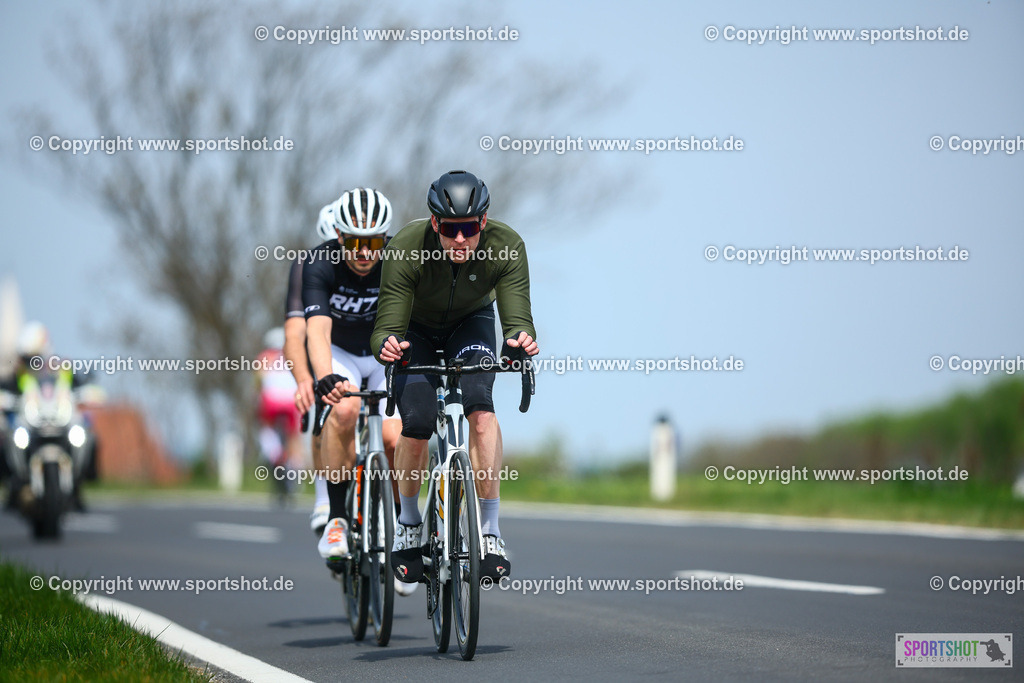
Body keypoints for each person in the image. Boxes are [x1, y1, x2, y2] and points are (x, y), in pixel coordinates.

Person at [371, 170, 539, 584]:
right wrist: (388, 346)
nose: (460, 240)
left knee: (480, 407)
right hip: (417, 330)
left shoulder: (507, 246)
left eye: (468, 229)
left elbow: (517, 319)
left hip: (471, 324)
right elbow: (386, 326)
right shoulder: (407, 248)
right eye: (450, 230)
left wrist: (519, 340)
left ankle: (490, 531)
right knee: (417, 421)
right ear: (434, 224)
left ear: (483, 222)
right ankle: (409, 523)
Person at [303, 188, 412, 595]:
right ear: (339, 238)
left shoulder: (399, 262)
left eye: (374, 243)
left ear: (386, 239)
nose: (365, 252)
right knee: (344, 411)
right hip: (342, 352)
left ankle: (404, 528)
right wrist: (323, 375)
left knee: (394, 437)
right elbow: (317, 329)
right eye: (354, 243)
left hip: (384, 351)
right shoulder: (319, 262)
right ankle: (335, 517)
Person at [282, 204, 339, 535]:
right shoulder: (307, 267)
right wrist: (304, 379)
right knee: (322, 401)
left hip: (363, 343)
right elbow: (295, 335)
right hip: (322, 342)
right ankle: (323, 497)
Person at [0, 322, 98, 510]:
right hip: (30, 425)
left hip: (60, 422)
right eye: (27, 357)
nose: (31, 361)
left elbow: (77, 386)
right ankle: (13, 484)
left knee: (89, 436)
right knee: (6, 438)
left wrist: (86, 393)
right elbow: (7, 390)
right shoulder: (20, 374)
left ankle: (80, 483)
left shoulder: (62, 370)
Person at [255, 327, 302, 503]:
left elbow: (258, 382)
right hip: (291, 403)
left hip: (271, 403)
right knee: (294, 440)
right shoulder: (294, 356)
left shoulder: (264, 357)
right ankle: (295, 469)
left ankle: (275, 454)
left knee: (266, 431)